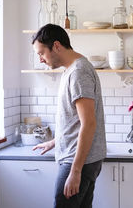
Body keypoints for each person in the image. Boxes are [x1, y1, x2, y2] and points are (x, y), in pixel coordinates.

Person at [32, 24, 106, 208]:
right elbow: (75, 120)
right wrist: (55, 141)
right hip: (82, 158)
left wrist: (75, 171)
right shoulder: (72, 69)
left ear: (56, 46)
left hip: (77, 160)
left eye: (41, 53)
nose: (40, 59)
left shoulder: (78, 72)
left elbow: (88, 123)